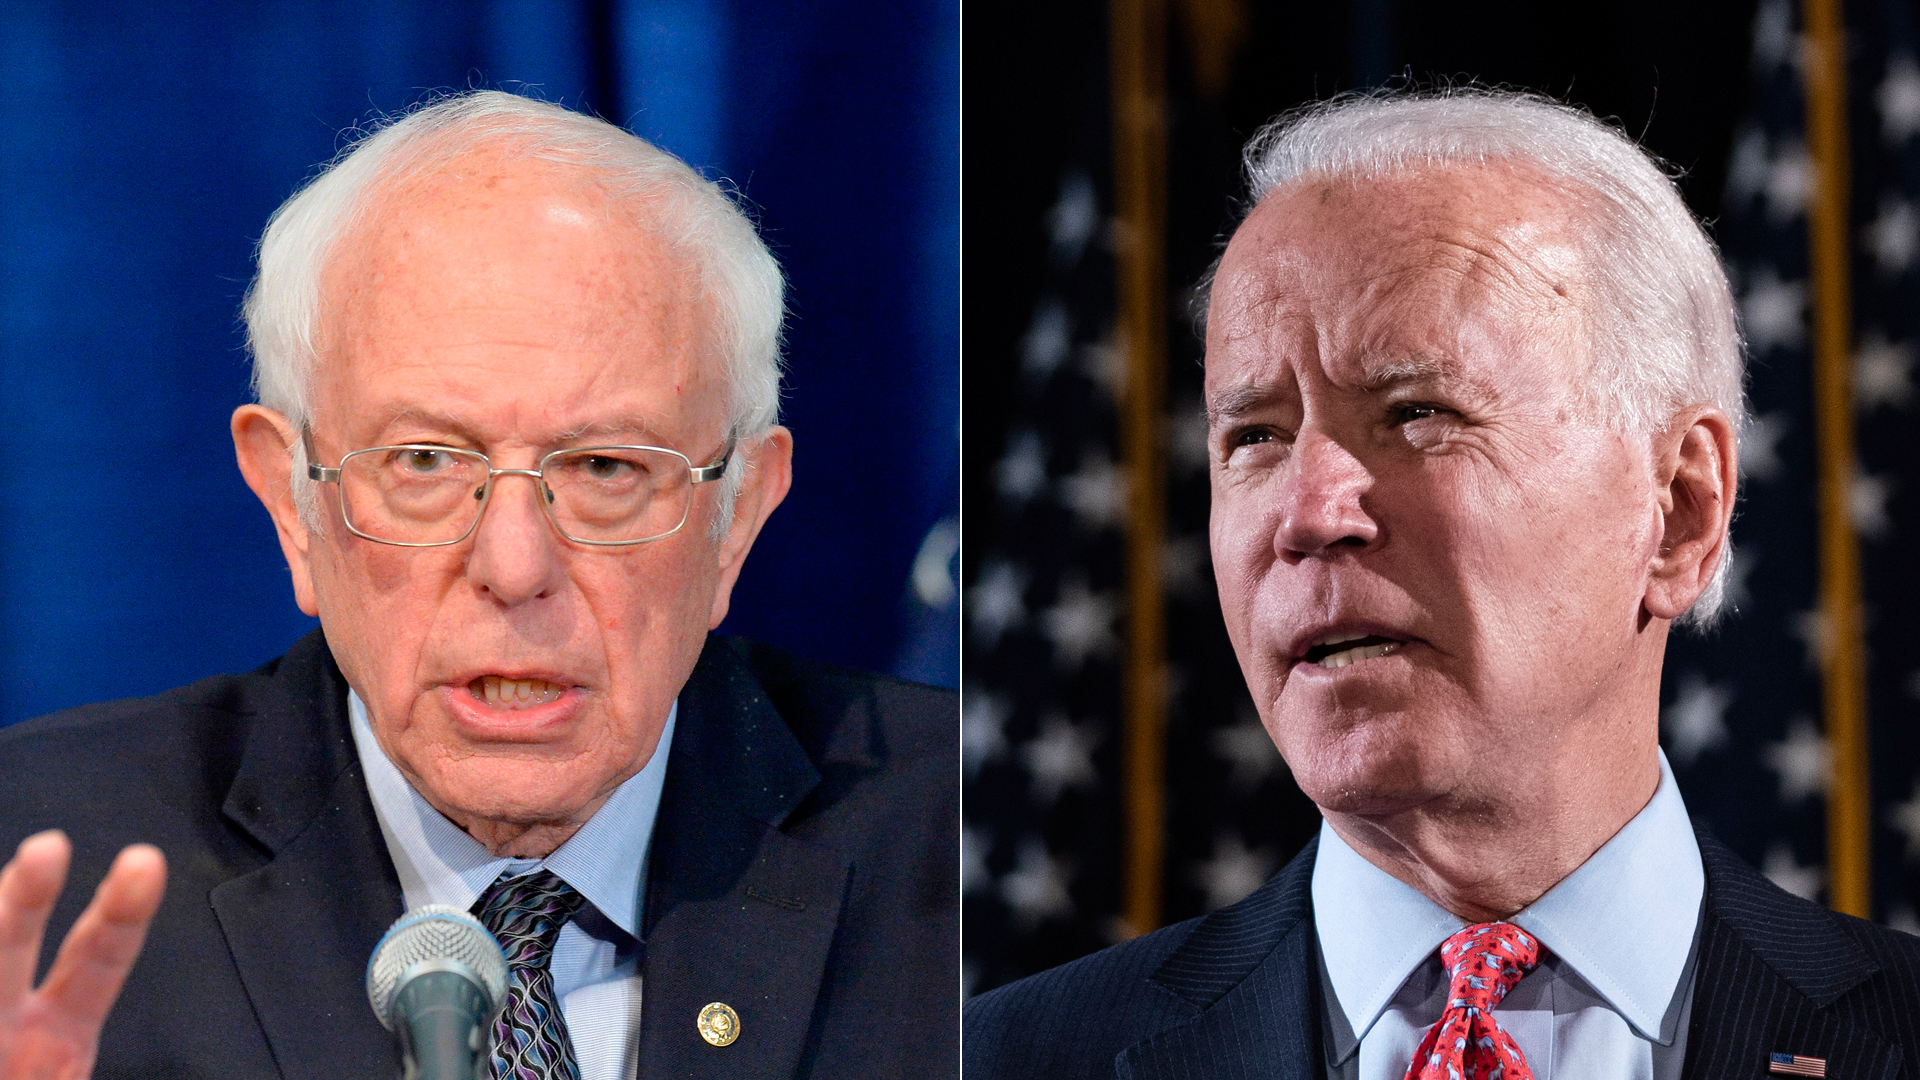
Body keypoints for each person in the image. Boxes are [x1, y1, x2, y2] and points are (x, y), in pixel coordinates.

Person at [0, 91, 956, 1080]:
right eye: (423, 462)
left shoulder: (968, 851)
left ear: (737, 517)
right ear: (293, 504)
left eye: (604, 468)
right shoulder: (34, 865)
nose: (513, 568)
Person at [966, 90, 1920, 1079]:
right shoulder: (1003, 1058)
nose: (1310, 512)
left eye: (1419, 411)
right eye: (1255, 437)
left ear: (1679, 509)